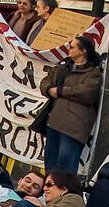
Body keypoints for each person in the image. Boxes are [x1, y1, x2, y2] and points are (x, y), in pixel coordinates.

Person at [39, 35, 102, 175]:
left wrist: (60, 91)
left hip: (74, 126)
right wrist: (49, 89)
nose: (69, 49)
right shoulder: (63, 67)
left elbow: (87, 92)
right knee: (51, 162)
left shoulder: (93, 73)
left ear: (83, 51)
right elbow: (45, 81)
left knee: (66, 163)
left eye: (73, 47)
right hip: (55, 121)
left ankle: (65, 192)